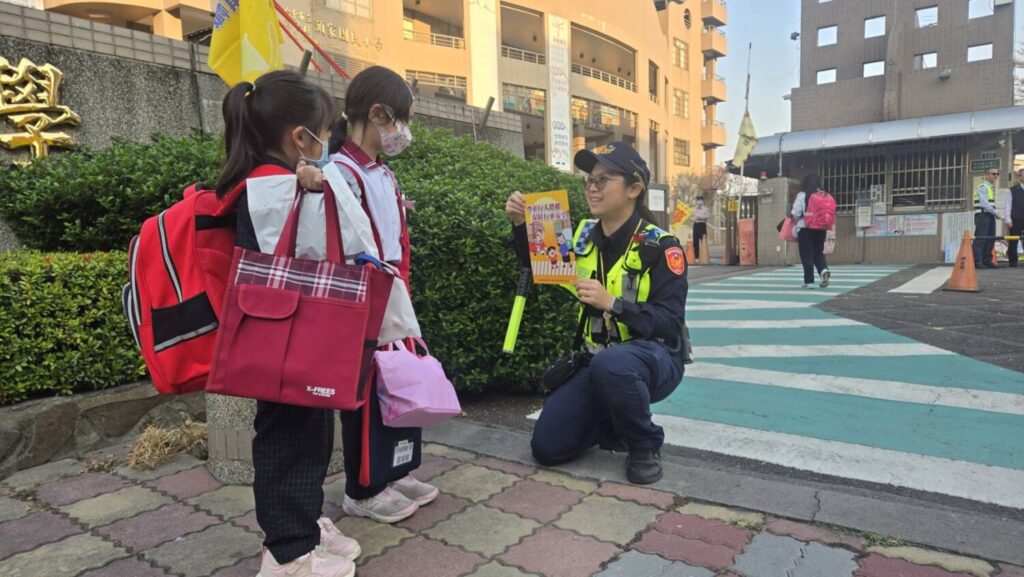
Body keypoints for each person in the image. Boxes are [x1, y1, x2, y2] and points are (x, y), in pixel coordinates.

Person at [216, 70, 359, 577]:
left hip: (287, 335)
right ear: (301, 138)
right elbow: (314, 251)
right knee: (289, 439)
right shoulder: (275, 187)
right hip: (288, 339)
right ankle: (287, 554)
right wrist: (319, 195)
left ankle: (302, 525)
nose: (328, 144)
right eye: (324, 131)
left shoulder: (269, 182)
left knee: (306, 433)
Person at [505, 141, 689, 485]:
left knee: (613, 365)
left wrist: (614, 304)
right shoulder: (580, 234)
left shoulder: (661, 246)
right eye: (588, 180)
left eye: (603, 180)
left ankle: (645, 442)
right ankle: (612, 419)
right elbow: (541, 267)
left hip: (655, 358)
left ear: (634, 188)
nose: (591, 187)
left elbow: (669, 322)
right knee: (548, 447)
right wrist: (520, 224)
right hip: (597, 360)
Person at [321, 66, 438, 524]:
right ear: (375, 113)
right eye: (400, 121)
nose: (403, 133)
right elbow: (346, 246)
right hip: (362, 301)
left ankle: (396, 468)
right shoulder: (339, 172)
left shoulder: (383, 175)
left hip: (393, 295)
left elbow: (400, 242)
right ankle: (364, 488)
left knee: (400, 387)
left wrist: (402, 293)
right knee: (368, 395)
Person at [791, 173, 831, 289]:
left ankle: (809, 282)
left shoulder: (802, 195)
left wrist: (794, 216)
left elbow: (796, 213)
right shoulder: (824, 195)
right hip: (821, 228)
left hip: (805, 228)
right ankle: (823, 270)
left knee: (806, 255)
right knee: (818, 252)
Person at [974, 168, 1001, 269]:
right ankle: (977, 261)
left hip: (988, 215)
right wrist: (996, 212)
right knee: (981, 239)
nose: (996, 176)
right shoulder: (982, 187)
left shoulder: (990, 188)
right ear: (986, 175)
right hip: (982, 215)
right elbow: (984, 204)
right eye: (993, 173)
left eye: (997, 174)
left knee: (990, 238)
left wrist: (994, 213)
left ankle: (987, 260)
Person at [1004, 168, 1024, 268]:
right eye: (1023, 175)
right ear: (1019, 177)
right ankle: (1013, 261)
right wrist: (1007, 218)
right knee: (1013, 240)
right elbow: (1008, 205)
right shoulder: (1012, 190)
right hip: (1016, 219)